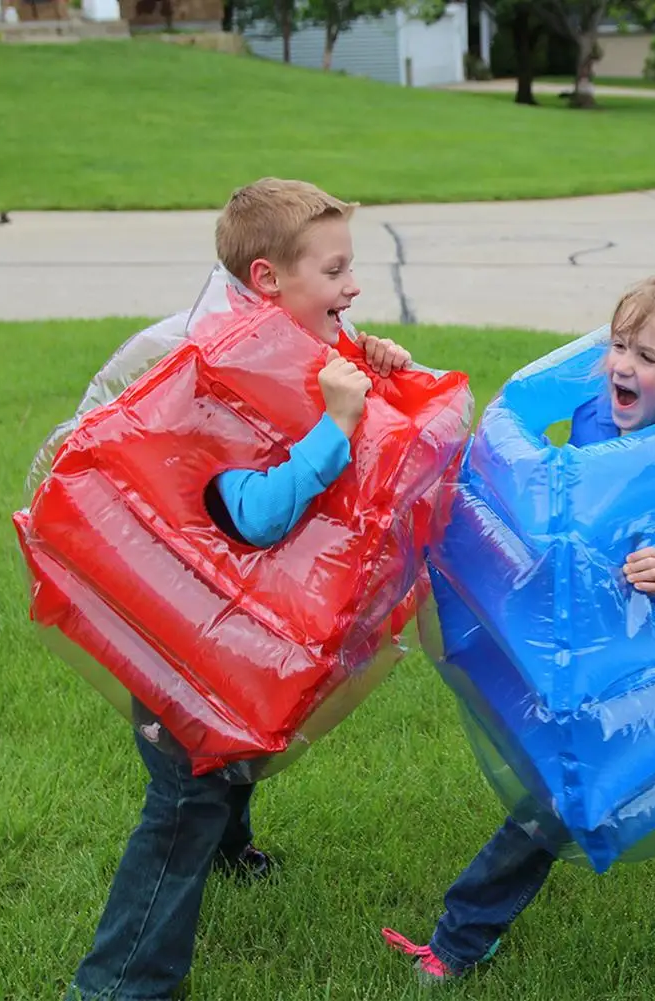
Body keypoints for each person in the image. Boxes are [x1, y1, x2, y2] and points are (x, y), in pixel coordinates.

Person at [383, 273, 655, 998]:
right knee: (548, 805)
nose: (621, 364)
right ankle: (458, 938)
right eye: (618, 345)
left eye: (646, 357)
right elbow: (560, 495)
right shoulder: (595, 417)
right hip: (602, 669)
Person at [66, 178, 412, 1001]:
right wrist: (335, 424)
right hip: (175, 636)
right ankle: (118, 985)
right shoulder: (216, 371)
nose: (353, 285)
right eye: (334, 271)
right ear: (267, 279)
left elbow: (303, 386)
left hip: (210, 625)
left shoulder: (271, 342)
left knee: (239, 729)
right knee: (185, 792)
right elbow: (254, 515)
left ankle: (229, 849)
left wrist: (364, 359)